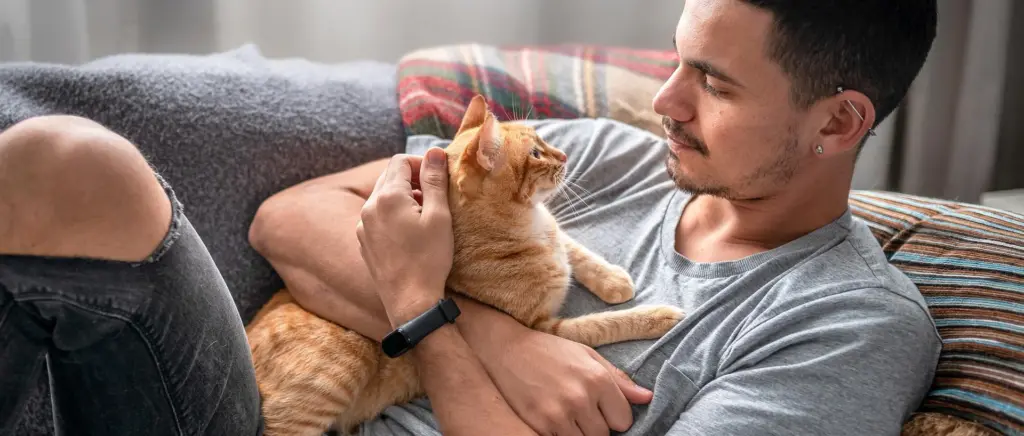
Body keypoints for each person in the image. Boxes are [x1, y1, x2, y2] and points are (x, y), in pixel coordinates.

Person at [0, 1, 940, 436]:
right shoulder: (612, 159)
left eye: (714, 83)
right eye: (678, 60)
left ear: (839, 122)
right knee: (66, 164)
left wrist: (424, 313)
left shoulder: (845, 324)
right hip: (263, 414)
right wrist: (496, 335)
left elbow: (396, 268)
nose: (665, 102)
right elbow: (290, 219)